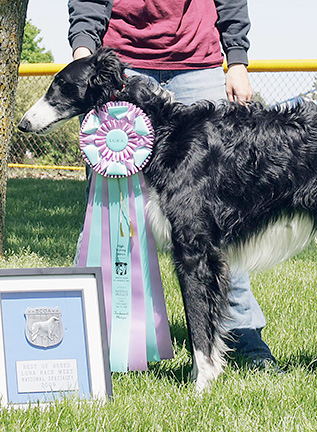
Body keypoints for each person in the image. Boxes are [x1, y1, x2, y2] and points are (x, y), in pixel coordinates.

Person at [67, 0, 276, 368]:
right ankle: (96, 335)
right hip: (119, 65)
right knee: (109, 212)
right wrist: (84, 53)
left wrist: (238, 60)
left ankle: (245, 337)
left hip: (199, 65)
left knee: (216, 221)